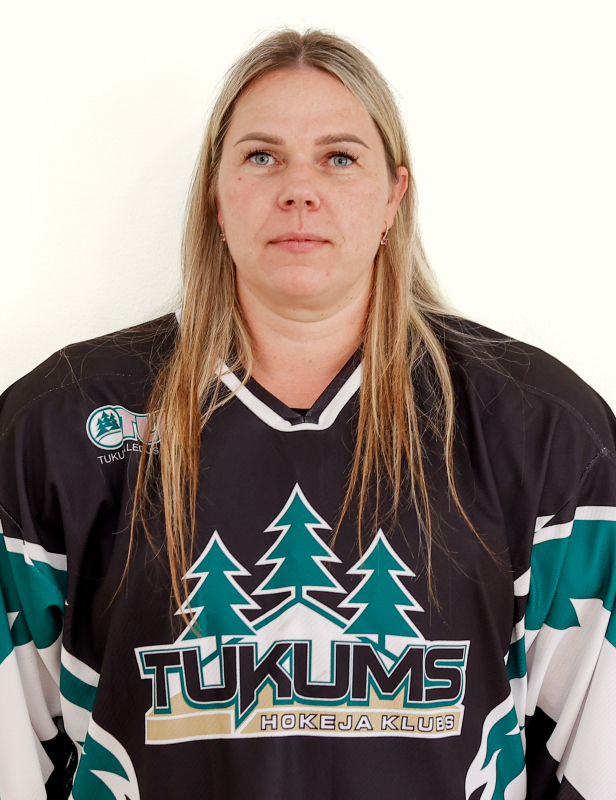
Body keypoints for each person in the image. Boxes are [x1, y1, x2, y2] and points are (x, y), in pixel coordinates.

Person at [0, 27, 614, 800]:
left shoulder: (540, 431)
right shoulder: (62, 427)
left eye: (339, 158)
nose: (298, 189)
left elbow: (592, 750)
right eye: (262, 157)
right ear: (215, 195)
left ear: (393, 196)